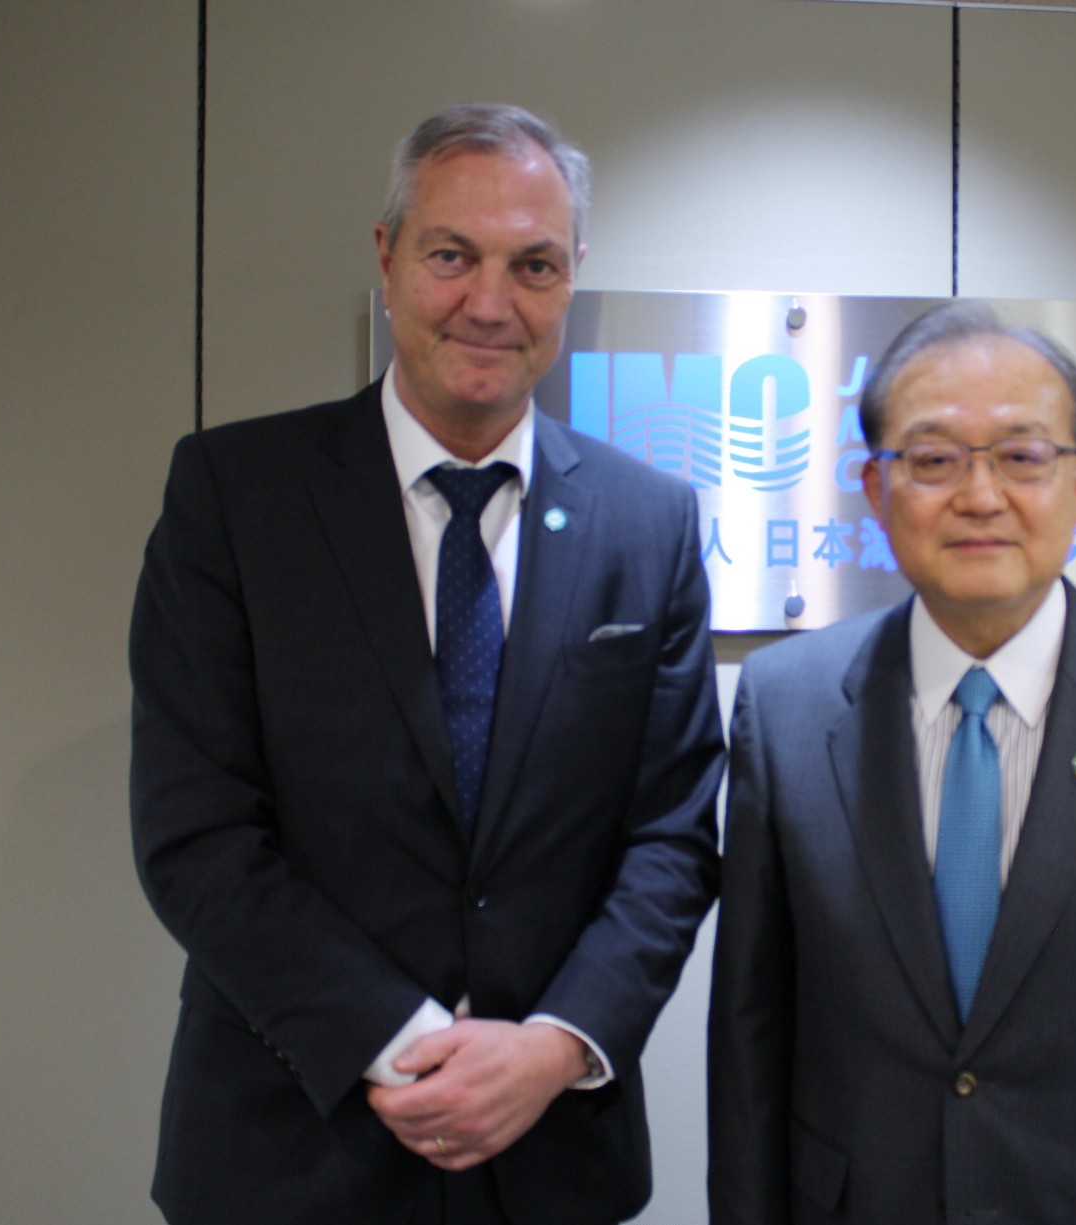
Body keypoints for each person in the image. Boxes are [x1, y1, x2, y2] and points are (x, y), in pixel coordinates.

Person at [131, 102, 723, 1225]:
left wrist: (555, 1046)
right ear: (388, 255)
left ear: (573, 277)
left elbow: (673, 835)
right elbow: (194, 828)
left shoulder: (649, 524)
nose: (491, 303)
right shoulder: (233, 496)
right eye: (453, 255)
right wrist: (396, 1041)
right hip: (286, 1146)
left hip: (552, 1157)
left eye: (534, 264)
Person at [708, 301, 1076, 1225]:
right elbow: (749, 1038)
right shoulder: (785, 707)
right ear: (874, 486)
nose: (980, 496)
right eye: (935, 458)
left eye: (1022, 456)